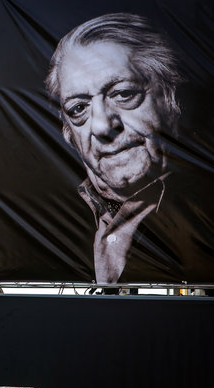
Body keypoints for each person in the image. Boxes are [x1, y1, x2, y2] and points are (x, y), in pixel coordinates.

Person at [45, 13, 183, 284]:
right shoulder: (51, 221)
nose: (101, 126)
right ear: (68, 132)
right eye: (78, 108)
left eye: (123, 94)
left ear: (170, 98)